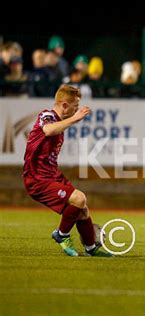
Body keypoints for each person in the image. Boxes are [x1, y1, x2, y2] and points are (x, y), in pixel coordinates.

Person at [22, 85, 111, 257]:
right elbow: (48, 130)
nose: (77, 110)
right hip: (37, 178)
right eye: (75, 107)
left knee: (83, 208)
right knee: (79, 198)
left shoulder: (59, 123)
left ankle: (91, 248)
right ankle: (61, 234)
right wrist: (75, 118)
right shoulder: (46, 115)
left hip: (52, 174)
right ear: (64, 105)